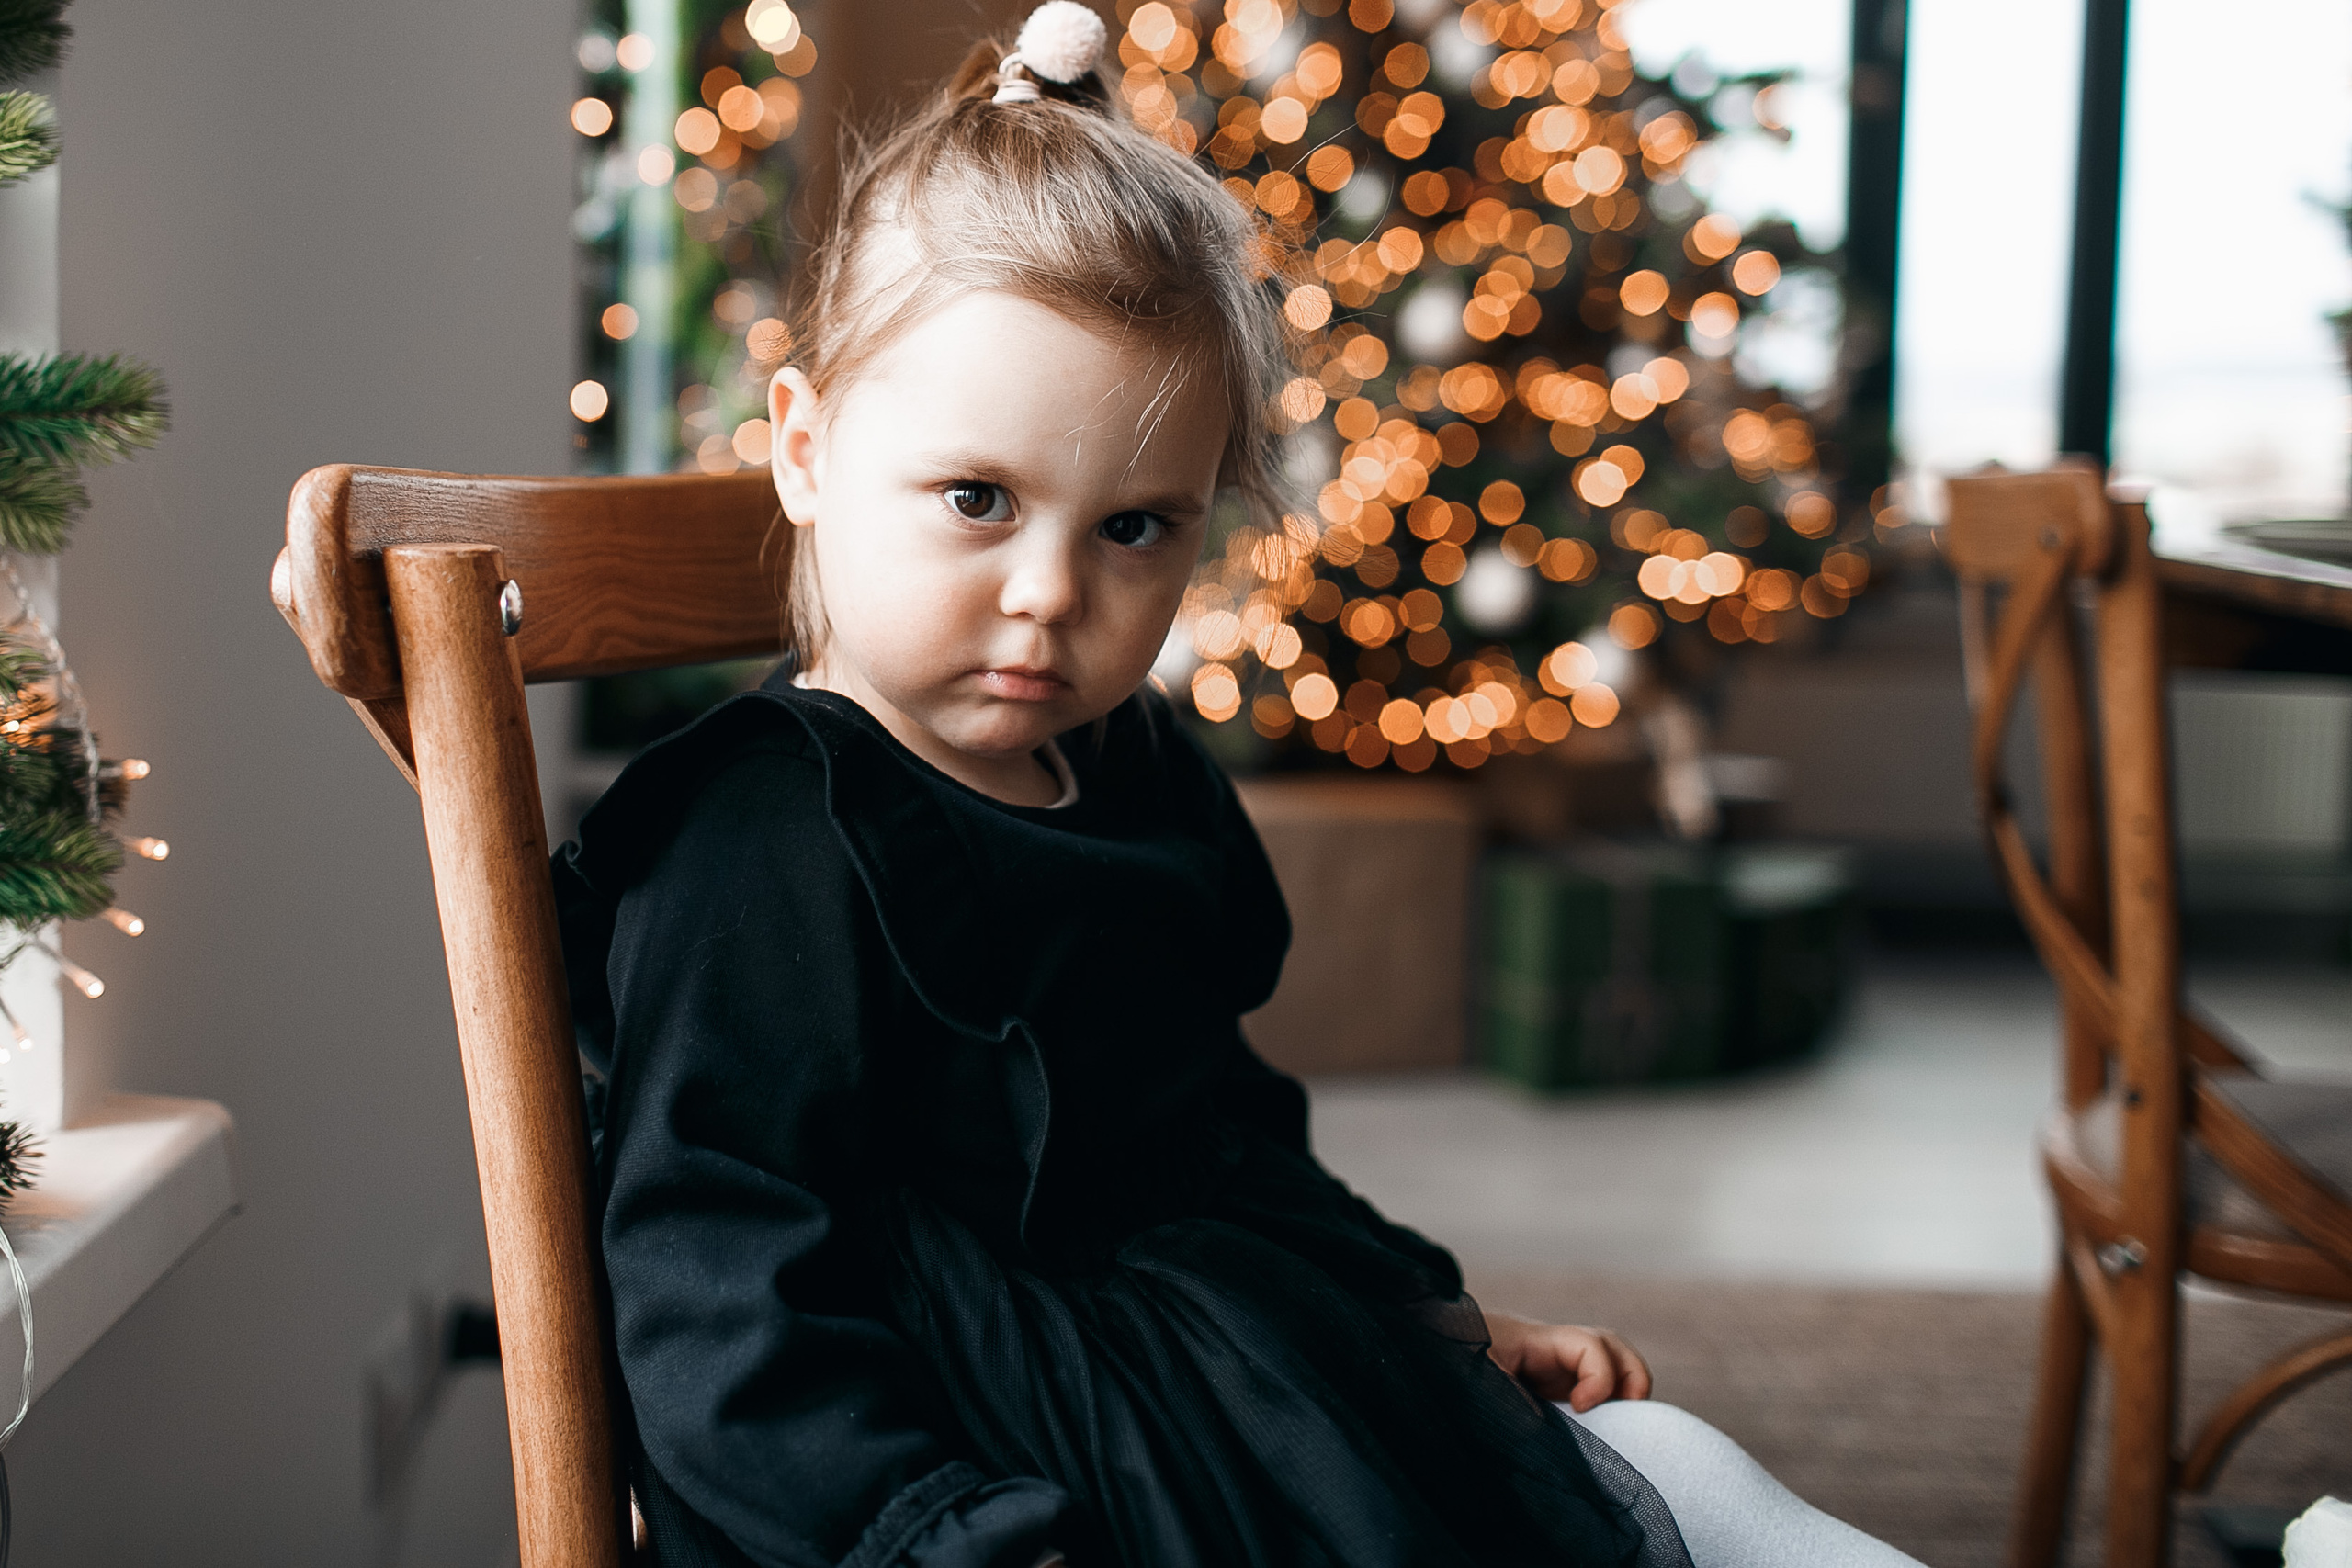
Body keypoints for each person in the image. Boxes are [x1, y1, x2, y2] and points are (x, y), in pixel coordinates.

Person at [555, 8, 1927, 1566]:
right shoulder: (759, 838)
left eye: (1137, 527)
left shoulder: (1134, 773)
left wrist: (1418, 1314)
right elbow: (711, 1282)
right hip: (969, 1460)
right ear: (803, 448)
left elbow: (1217, 1125)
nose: (1050, 595)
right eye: (976, 501)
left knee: (1661, 1467)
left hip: (1218, 1363)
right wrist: (934, 1533)